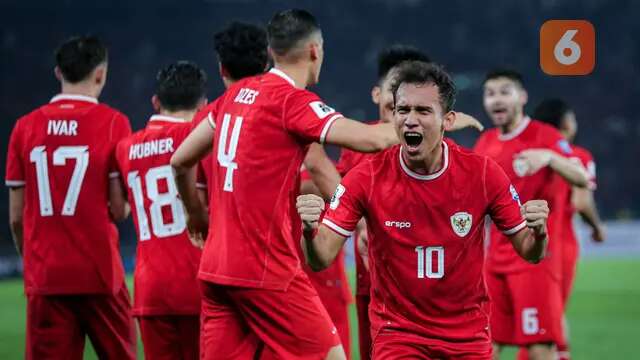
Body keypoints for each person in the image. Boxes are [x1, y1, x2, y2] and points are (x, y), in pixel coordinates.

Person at [171, 9, 400, 359]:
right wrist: (435, 121)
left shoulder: (235, 94)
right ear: (314, 50)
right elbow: (372, 140)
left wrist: (195, 215)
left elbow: (180, 160)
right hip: (266, 268)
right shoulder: (292, 101)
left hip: (217, 270)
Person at [296, 61, 550, 359]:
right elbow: (320, 257)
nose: (410, 120)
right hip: (399, 335)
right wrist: (310, 230)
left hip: (467, 336)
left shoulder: (482, 174)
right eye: (402, 110)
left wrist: (539, 232)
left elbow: (531, 252)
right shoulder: (367, 177)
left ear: (449, 120)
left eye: (423, 111)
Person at [5, 35, 135, 359]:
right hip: (101, 273)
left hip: (47, 276)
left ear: (58, 73)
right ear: (101, 74)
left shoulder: (24, 128)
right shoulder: (114, 123)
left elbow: (16, 217)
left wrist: (31, 259)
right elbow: (118, 209)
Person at [473, 69, 589, 360]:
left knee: (540, 347)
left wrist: (549, 157)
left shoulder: (544, 135)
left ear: (522, 97)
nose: (496, 99)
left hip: (533, 259)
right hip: (493, 260)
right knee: (483, 344)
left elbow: (582, 176)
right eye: (490, 93)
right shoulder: (485, 143)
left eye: (504, 91)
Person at [334, 44, 432, 360]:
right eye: (395, 89)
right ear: (377, 94)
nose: (402, 100)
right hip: (373, 286)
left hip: (428, 290)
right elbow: (339, 194)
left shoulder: (441, 149)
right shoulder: (358, 143)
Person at [115, 61, 207, 360]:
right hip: (199, 281)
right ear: (203, 104)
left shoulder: (125, 148)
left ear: (156, 102)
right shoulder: (202, 141)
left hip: (150, 287)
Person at [530, 98, 605, 360]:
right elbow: (581, 201)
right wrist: (597, 227)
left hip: (522, 243)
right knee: (551, 317)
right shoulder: (577, 157)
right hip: (559, 245)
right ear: (565, 123)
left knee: (527, 318)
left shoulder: (529, 156)